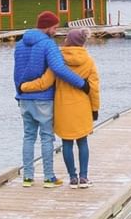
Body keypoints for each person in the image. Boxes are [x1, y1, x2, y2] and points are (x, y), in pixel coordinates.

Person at [13, 11, 88, 188]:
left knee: (28, 137)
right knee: (47, 137)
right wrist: (81, 84)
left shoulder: (20, 44)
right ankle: (48, 177)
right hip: (44, 98)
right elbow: (59, 68)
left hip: (24, 98)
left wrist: (19, 91)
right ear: (47, 27)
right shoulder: (48, 45)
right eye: (54, 27)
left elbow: (16, 72)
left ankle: (28, 177)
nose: (55, 31)